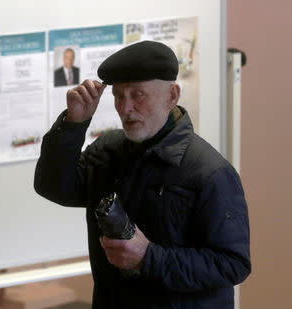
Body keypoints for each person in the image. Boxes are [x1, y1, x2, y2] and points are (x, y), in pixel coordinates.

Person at [34, 41, 251, 308]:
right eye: (118, 96)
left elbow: (233, 265)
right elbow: (53, 186)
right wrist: (73, 125)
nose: (125, 108)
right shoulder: (107, 151)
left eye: (138, 95)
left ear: (171, 96)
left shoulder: (210, 172)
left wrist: (148, 257)